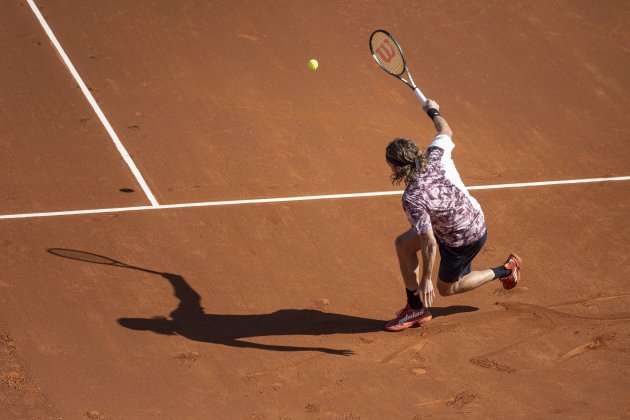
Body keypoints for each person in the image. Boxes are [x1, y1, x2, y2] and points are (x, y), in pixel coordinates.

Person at [384, 99, 522, 332]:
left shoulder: (413, 197)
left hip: (464, 238)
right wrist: (432, 110)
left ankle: (506, 270)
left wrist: (426, 278)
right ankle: (415, 307)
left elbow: (429, 242)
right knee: (403, 244)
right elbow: (445, 129)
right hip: (471, 217)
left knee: (447, 288)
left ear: (398, 168)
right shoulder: (436, 154)